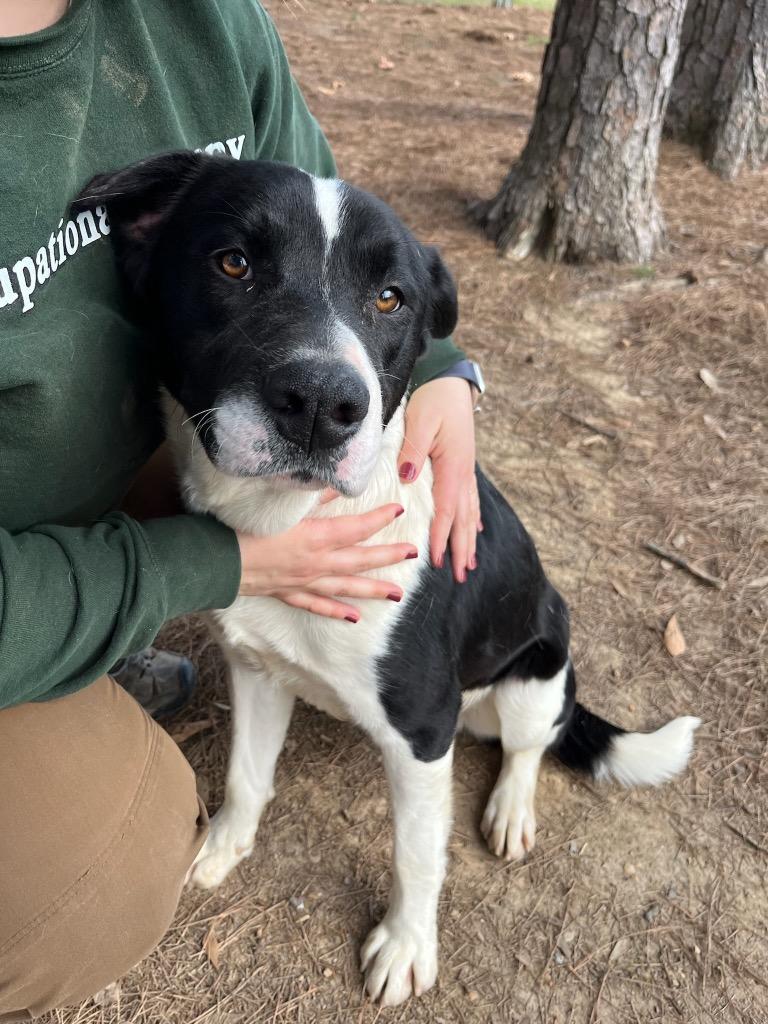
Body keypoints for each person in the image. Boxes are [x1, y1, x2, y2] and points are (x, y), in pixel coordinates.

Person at [0, 1, 482, 1017]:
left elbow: (342, 234)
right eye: (233, 263)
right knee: (105, 869)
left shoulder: (206, 21)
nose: (327, 387)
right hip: (91, 541)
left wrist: (441, 367)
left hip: (174, 492)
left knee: (512, 706)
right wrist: (212, 568)